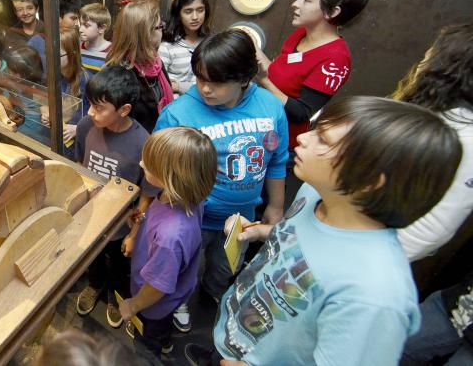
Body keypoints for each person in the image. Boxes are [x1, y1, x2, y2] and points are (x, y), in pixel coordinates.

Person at [184, 96, 462, 366]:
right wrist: (260, 231)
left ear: (368, 182)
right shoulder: (315, 193)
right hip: (235, 335)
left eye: (324, 139)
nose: (304, 138)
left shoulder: (374, 296)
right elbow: (300, 239)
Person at [155, 29, 288, 308]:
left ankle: (212, 294)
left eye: (216, 82)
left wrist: (275, 206)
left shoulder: (271, 108)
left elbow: (277, 160)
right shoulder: (178, 114)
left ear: (244, 77)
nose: (205, 88)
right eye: (201, 78)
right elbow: (158, 168)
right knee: (181, 270)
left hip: (243, 220)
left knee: (225, 268)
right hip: (192, 217)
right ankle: (180, 303)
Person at [119, 126, 217, 357]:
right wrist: (140, 223)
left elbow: (157, 288)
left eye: (149, 164)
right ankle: (163, 340)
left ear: (173, 178)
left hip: (153, 304)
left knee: (150, 336)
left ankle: (156, 347)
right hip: (173, 286)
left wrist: (132, 305)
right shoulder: (185, 198)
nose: (142, 164)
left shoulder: (170, 237)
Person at [255, 0, 370, 151]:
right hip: (257, 121)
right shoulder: (301, 34)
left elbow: (301, 113)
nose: (295, 4)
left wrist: (264, 81)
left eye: (306, 0)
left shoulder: (336, 60)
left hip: (277, 142)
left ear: (332, 11)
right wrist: (252, 49)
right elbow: (279, 75)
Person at [74, 65, 150, 328]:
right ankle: (95, 285)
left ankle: (115, 296)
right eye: (90, 105)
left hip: (120, 223)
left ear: (124, 110)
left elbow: (147, 193)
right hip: (90, 214)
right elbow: (79, 163)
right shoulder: (85, 126)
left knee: (119, 266)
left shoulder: (143, 143)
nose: (91, 113)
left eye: (99, 108)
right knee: (91, 258)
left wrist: (134, 232)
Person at [393, 22, 473, 261]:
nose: (422, 63)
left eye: (429, 56)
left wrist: (357, 255)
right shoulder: (433, 111)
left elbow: (428, 231)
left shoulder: (467, 142)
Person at [105, 0, 173, 133]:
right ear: (145, 34)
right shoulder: (120, 76)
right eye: (160, 26)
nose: (163, 30)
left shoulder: (155, 61)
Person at [159, 0, 211, 97]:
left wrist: (178, 86)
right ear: (179, 14)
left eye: (200, 10)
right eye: (188, 11)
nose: (195, 17)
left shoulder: (211, 43)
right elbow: (160, 85)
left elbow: (214, 81)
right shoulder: (167, 46)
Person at [27, 0, 82, 79]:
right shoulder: (36, 43)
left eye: (78, 19)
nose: (77, 24)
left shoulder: (78, 40)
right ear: (58, 17)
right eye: (73, 18)